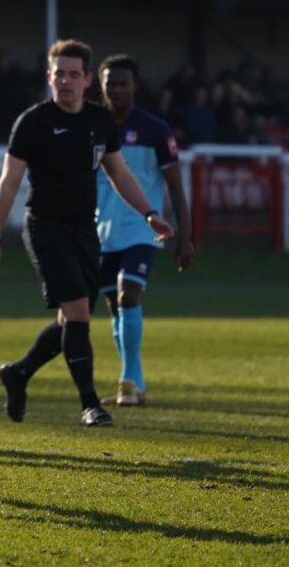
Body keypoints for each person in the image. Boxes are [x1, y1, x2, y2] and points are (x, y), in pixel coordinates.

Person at [0, 39, 174, 427]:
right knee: (78, 311)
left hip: (85, 229)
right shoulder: (32, 122)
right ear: (48, 77)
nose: (65, 82)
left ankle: (18, 373)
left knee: (72, 322)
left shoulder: (100, 122)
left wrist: (150, 213)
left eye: (73, 75)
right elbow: (8, 183)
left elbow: (119, 173)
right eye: (58, 75)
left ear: (87, 80)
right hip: (45, 227)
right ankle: (90, 403)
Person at [94, 55, 195, 408]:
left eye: (123, 83)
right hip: (101, 230)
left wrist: (185, 235)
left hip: (143, 228)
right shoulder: (94, 125)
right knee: (114, 307)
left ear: (135, 85)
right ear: (101, 85)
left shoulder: (154, 129)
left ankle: (129, 380)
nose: (117, 89)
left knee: (129, 296)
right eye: (111, 83)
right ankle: (133, 382)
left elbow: (176, 187)